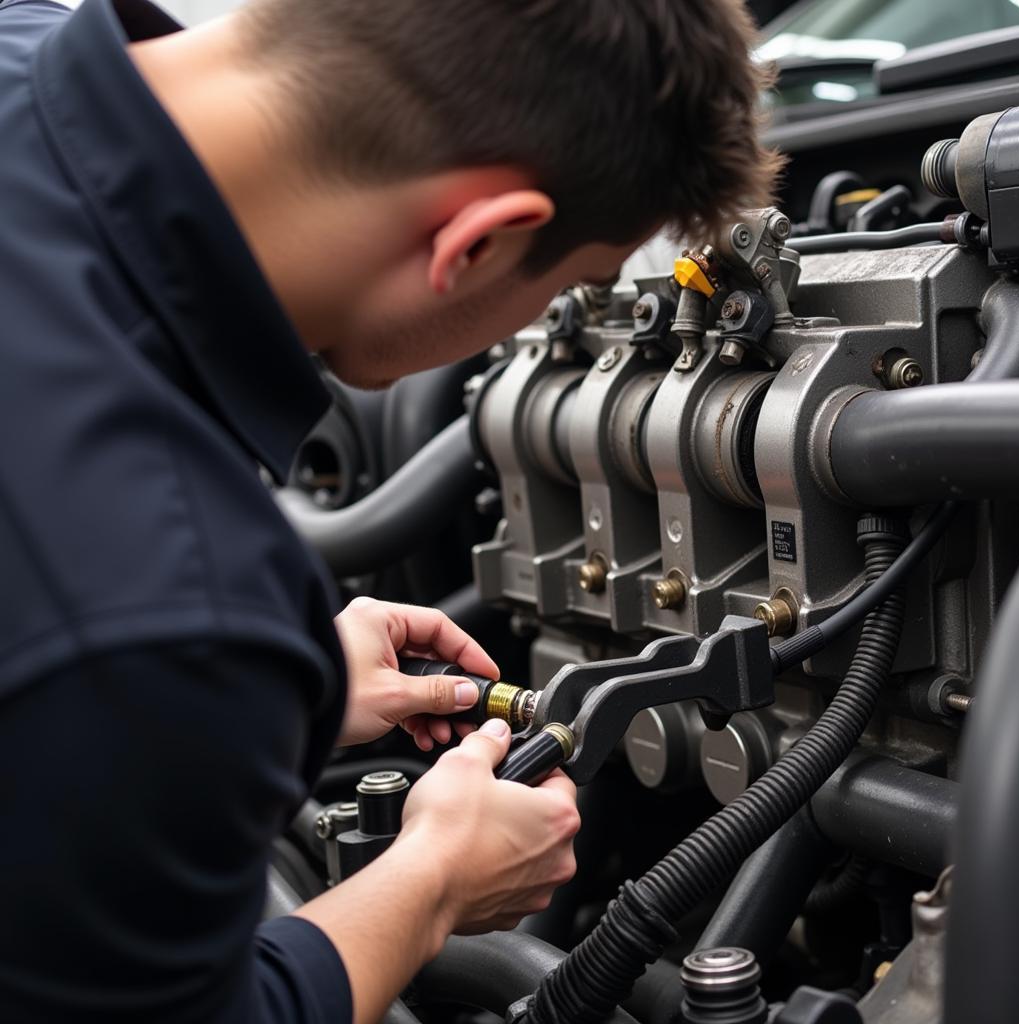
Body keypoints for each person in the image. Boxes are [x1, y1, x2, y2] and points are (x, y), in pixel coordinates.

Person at [0, 0, 779, 1020]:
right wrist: (431, 887)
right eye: (574, 286)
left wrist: (289, 692)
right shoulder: (168, 605)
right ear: (482, 242)